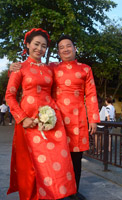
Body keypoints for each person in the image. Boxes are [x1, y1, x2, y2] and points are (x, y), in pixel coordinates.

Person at [5, 28, 76, 200]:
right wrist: (22, 119)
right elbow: (9, 96)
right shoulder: (19, 68)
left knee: (56, 160)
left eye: (44, 46)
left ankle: (52, 195)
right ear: (27, 45)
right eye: (36, 44)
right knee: (30, 164)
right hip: (28, 120)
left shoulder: (49, 69)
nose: (40, 49)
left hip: (51, 119)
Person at [50, 35, 100, 200]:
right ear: (58, 51)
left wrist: (93, 119)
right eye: (61, 47)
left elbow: (91, 94)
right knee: (57, 157)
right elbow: (35, 74)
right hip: (56, 120)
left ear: (75, 48)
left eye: (68, 46)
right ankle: (57, 191)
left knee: (76, 159)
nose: (65, 49)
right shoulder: (52, 67)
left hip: (78, 120)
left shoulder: (85, 69)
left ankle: (73, 191)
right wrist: (16, 68)